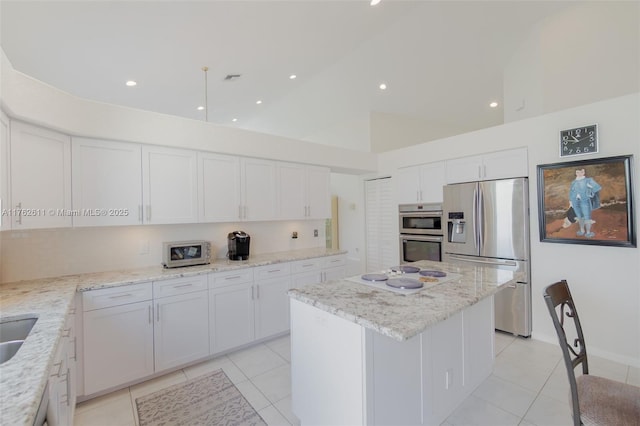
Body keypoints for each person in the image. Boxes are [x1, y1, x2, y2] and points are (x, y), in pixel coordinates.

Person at [568, 168, 602, 238]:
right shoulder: (573, 182)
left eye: (581, 172)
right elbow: (571, 192)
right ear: (575, 173)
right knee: (580, 217)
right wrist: (571, 202)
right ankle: (582, 230)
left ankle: (588, 232)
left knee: (587, 216)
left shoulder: (588, 180)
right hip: (575, 201)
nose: (579, 174)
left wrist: (590, 188)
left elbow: (597, 187)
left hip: (585, 200)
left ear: (583, 172)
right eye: (577, 172)